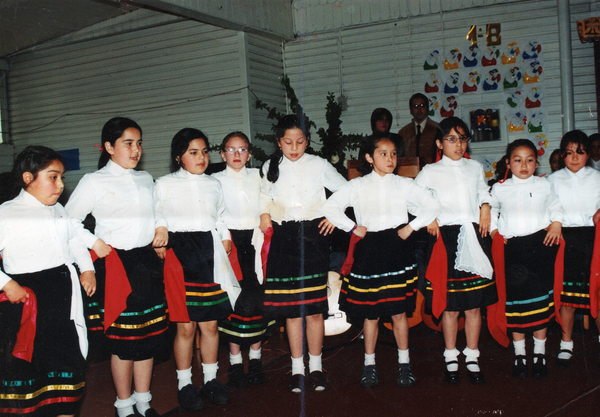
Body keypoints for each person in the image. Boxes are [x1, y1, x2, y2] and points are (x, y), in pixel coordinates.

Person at [66, 118, 169, 417]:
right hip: (116, 266)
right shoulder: (94, 181)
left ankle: (144, 402)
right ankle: (124, 407)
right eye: (128, 143)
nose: (135, 150)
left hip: (146, 263)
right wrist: (94, 242)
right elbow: (68, 222)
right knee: (124, 342)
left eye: (139, 143)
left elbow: (157, 210)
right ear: (109, 147)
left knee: (147, 338)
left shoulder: (146, 178)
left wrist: (160, 228)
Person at [320, 132, 439, 388]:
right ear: (369, 158)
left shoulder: (404, 184)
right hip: (370, 250)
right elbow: (330, 207)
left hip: (397, 248)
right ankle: (369, 364)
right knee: (370, 314)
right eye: (383, 154)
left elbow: (431, 205)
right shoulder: (358, 185)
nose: (390, 158)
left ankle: (404, 364)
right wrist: (352, 227)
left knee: (398, 312)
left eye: (394, 153)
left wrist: (412, 227)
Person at [0, 146, 95, 417]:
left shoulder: (58, 210)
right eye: (53, 177)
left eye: (62, 177)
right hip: (28, 307)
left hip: (62, 304)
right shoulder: (8, 213)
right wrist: (6, 283)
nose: (61, 185)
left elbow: (75, 241)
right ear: (28, 178)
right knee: (30, 377)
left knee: (66, 375)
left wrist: (87, 270)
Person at [259, 113, 347, 393]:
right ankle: (297, 368)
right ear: (278, 142)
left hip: (313, 237)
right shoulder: (269, 165)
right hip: (284, 238)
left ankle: (317, 366)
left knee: (313, 309)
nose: (294, 147)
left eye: (300, 141)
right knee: (292, 310)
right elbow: (263, 195)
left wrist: (334, 217)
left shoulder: (319, 164)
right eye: (288, 142)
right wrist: (264, 213)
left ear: (307, 141)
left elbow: (346, 190)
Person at [154, 128, 240, 410]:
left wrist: (225, 238)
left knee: (211, 323)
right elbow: (156, 215)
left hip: (209, 252)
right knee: (186, 326)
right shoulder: (164, 184)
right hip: (180, 253)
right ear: (179, 157)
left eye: (204, 151)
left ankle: (212, 380)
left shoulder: (214, 184)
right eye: (193, 152)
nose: (201, 157)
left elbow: (221, 216)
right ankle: (184, 384)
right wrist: (160, 235)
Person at [415, 117, 497, 385]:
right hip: (445, 240)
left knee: (473, 306)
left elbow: (484, 191)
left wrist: (485, 205)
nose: (458, 144)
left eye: (462, 138)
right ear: (439, 143)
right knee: (449, 306)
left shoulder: (474, 167)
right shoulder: (429, 171)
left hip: (474, 236)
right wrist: (429, 217)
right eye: (451, 139)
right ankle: (451, 355)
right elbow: (414, 199)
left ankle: (472, 356)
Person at [490, 138, 563, 379]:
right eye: (518, 160)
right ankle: (520, 353)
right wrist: (494, 232)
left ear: (536, 163)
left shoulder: (544, 185)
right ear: (508, 163)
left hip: (540, 247)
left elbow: (556, 205)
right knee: (517, 307)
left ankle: (540, 353)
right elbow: (491, 210)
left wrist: (555, 222)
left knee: (539, 305)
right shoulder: (500, 188)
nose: (524, 165)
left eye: (530, 160)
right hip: (514, 251)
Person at [213, 132, 275, 388]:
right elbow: (214, 213)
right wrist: (225, 236)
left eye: (242, 150)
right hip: (229, 244)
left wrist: (264, 215)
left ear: (250, 154)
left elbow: (268, 200)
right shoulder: (214, 180)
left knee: (257, 299)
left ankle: (257, 358)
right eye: (231, 149)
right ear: (222, 154)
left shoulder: (258, 176)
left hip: (255, 241)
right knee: (235, 300)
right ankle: (236, 361)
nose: (237, 155)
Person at [547, 130, 600, 368]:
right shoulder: (552, 180)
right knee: (566, 297)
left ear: (588, 154)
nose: (575, 158)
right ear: (562, 155)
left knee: (597, 292)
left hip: (593, 238)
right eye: (569, 153)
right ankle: (566, 343)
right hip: (566, 241)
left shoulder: (597, 177)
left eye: (580, 152)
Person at [398, 93, 439, 168]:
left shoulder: (437, 129)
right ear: (410, 110)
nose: (419, 109)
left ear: (428, 108)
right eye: (415, 106)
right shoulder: (403, 133)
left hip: (433, 173)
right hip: (410, 174)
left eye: (422, 106)